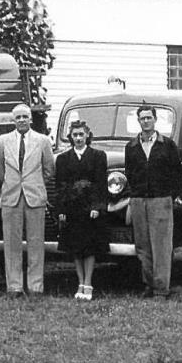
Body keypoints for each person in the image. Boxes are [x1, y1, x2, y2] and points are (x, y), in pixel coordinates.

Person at [0, 102, 55, 296]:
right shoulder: (3, 141)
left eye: (25, 116)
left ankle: (35, 286)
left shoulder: (43, 140)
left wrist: (33, 183)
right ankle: (14, 286)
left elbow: (49, 169)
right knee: (11, 243)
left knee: (36, 242)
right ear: (13, 120)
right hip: (11, 196)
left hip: (34, 196)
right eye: (18, 117)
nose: (21, 120)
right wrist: (12, 184)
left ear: (31, 118)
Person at [123, 103, 182, 298]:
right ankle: (148, 284)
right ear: (138, 121)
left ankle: (162, 288)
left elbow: (176, 173)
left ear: (155, 120)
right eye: (142, 118)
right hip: (139, 200)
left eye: (149, 117)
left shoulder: (167, 145)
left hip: (161, 199)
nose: (146, 121)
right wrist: (135, 196)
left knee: (162, 246)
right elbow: (129, 173)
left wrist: (169, 196)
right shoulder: (131, 147)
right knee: (143, 245)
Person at [53, 120, 108, 301]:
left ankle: (88, 283)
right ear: (71, 137)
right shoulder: (62, 159)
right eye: (75, 135)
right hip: (72, 208)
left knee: (89, 247)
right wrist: (61, 210)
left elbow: (100, 184)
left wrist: (96, 207)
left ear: (87, 136)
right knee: (76, 247)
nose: (78, 138)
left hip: (90, 209)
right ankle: (79, 283)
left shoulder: (98, 156)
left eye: (81, 135)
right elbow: (60, 185)